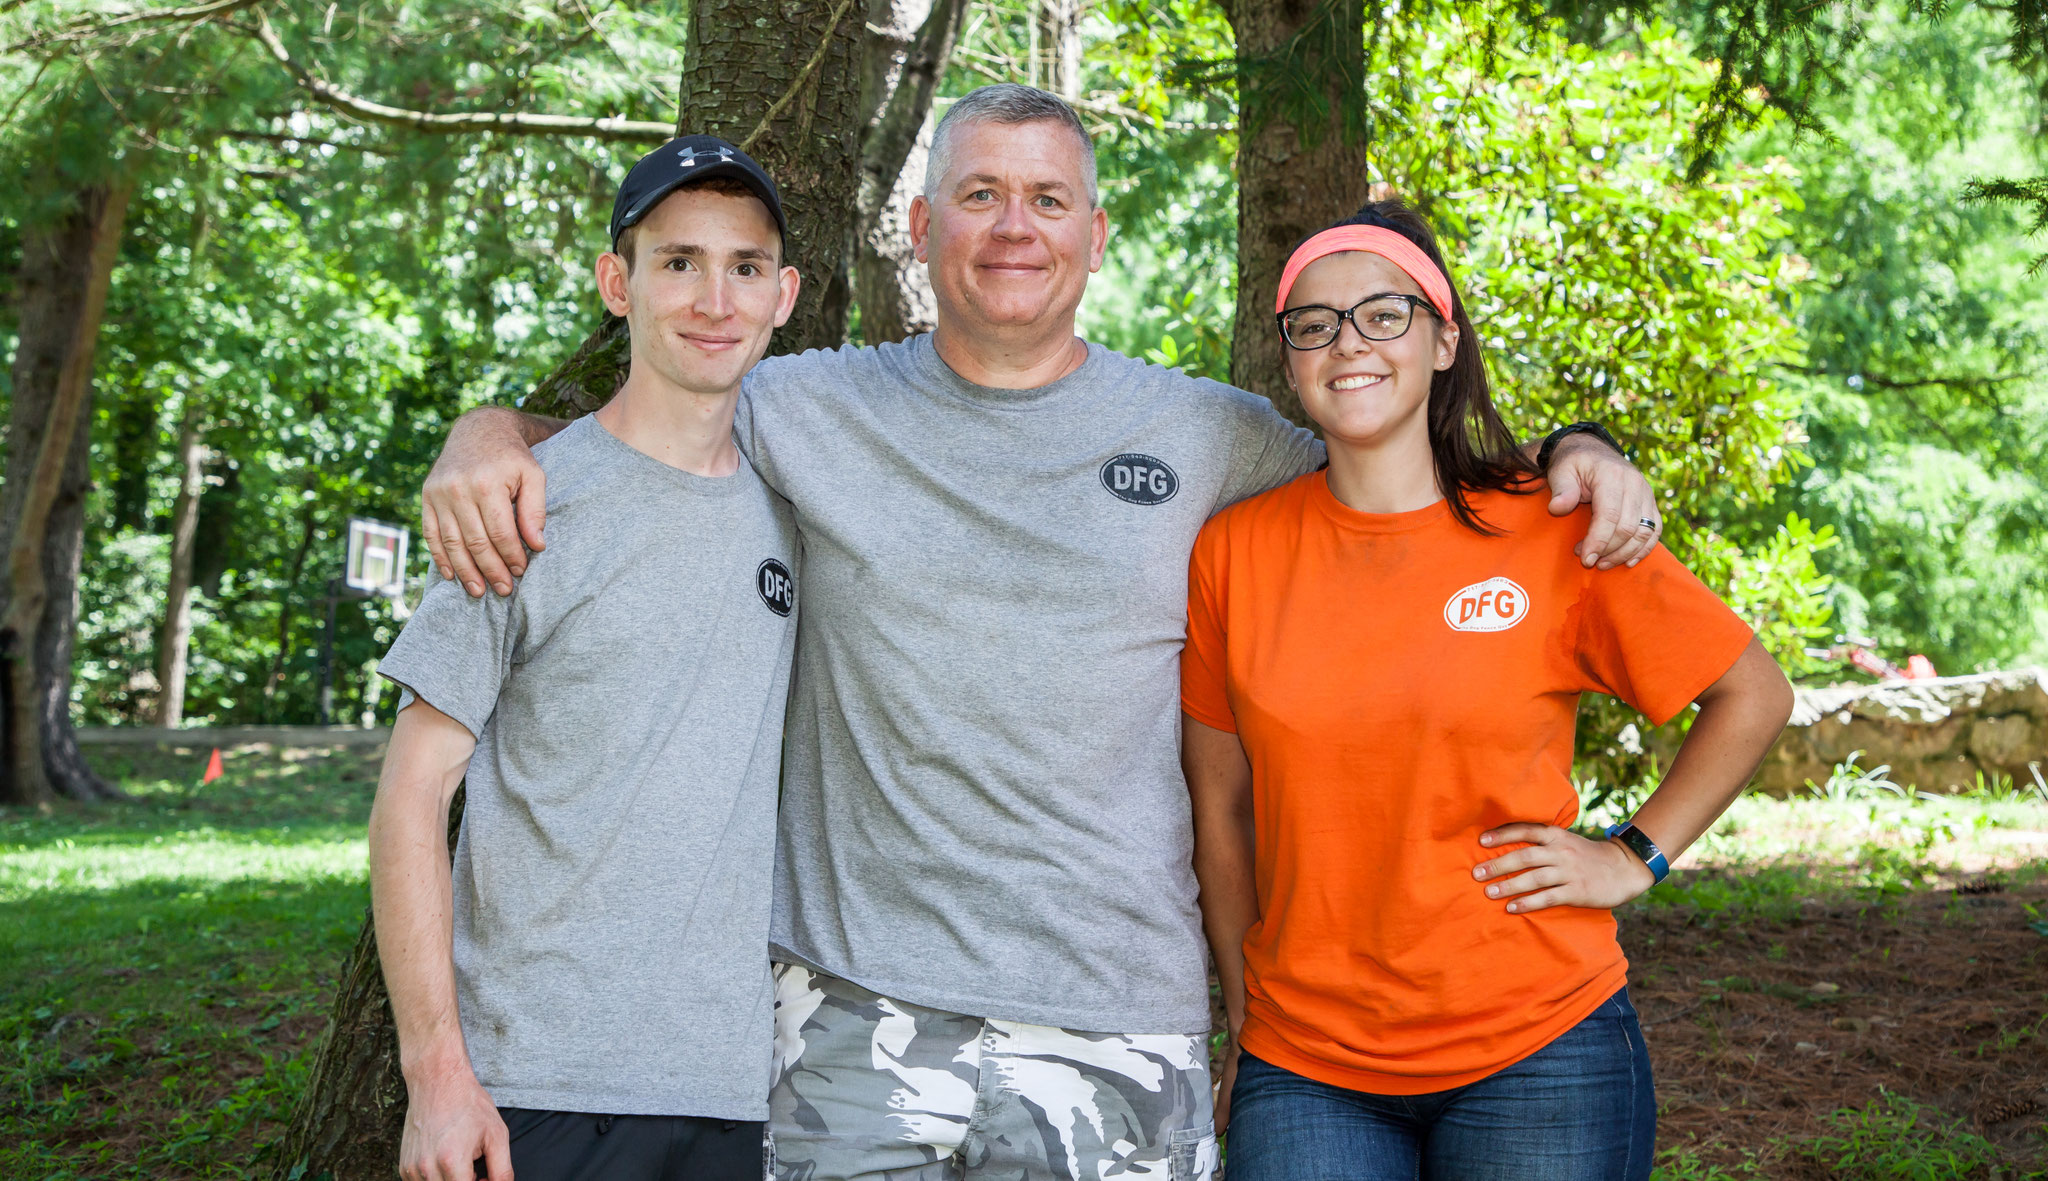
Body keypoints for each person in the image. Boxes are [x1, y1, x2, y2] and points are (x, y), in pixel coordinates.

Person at [419, 86, 1665, 1181]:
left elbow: (1397, 463)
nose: (1013, 227)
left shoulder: (1209, 436)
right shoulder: (802, 404)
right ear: (921, 229)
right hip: (852, 1022)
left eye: (1047, 199)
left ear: (1094, 235)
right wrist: (486, 436)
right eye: (977, 194)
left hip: (1117, 1020)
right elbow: (647, 416)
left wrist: (1572, 451)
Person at [1179, 200, 1795, 1181]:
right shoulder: (1232, 552)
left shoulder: (1552, 524)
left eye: (1382, 314)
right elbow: (1222, 806)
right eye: (1314, 323)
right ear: (1290, 357)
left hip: (1541, 1043)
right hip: (1306, 1065)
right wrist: (1246, 1022)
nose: (1348, 344)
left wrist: (1634, 856)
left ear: (1440, 339)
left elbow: (1751, 693)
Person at [367, 137, 803, 1181]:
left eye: (744, 267)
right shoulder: (521, 505)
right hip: (537, 1090)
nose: (714, 299)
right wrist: (436, 1077)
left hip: (737, 1091)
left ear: (781, 295)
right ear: (619, 283)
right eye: (677, 262)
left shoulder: (798, 509)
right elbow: (410, 799)